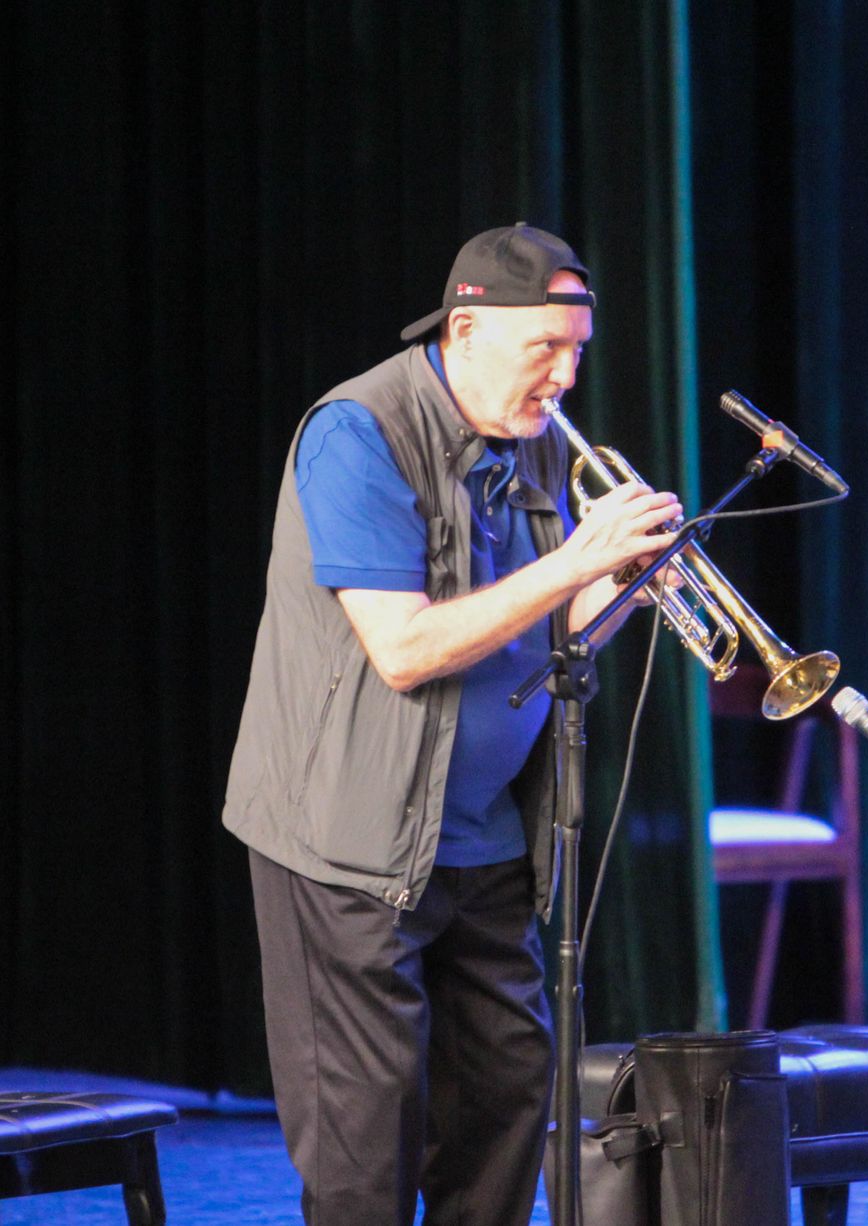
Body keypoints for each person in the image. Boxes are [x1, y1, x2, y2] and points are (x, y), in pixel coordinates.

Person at [223, 224, 681, 1225]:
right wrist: (575, 561)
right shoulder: (358, 432)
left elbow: (547, 630)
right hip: (350, 844)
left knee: (505, 1109)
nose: (565, 378)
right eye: (545, 349)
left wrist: (622, 583)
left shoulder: (534, 438)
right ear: (465, 330)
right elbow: (406, 648)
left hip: (483, 843)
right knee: (367, 1140)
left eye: (578, 351)